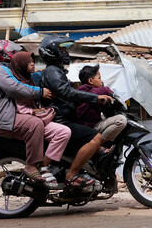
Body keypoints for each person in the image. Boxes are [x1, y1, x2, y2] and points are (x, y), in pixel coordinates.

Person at [0, 40, 58, 188]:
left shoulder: (10, 70)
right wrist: (40, 92)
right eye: (11, 50)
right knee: (34, 124)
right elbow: (14, 88)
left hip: (5, 116)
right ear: (3, 54)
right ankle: (31, 166)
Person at [38, 36, 114, 189]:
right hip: (59, 121)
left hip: (64, 119)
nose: (65, 53)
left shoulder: (57, 72)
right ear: (53, 52)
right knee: (95, 137)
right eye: (62, 49)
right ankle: (72, 175)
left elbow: (69, 93)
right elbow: (67, 92)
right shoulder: (52, 71)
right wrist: (95, 97)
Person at [9, 51, 71, 188]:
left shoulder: (30, 79)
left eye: (33, 61)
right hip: (26, 121)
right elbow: (17, 108)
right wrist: (32, 111)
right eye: (29, 62)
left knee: (64, 132)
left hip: (38, 119)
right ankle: (35, 166)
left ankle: (44, 166)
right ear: (21, 65)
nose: (33, 64)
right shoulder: (14, 84)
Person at [76, 65, 127, 154]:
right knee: (121, 120)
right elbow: (103, 90)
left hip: (92, 125)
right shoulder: (84, 90)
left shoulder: (95, 95)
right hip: (89, 127)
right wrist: (108, 91)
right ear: (90, 81)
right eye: (99, 78)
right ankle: (95, 146)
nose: (101, 81)